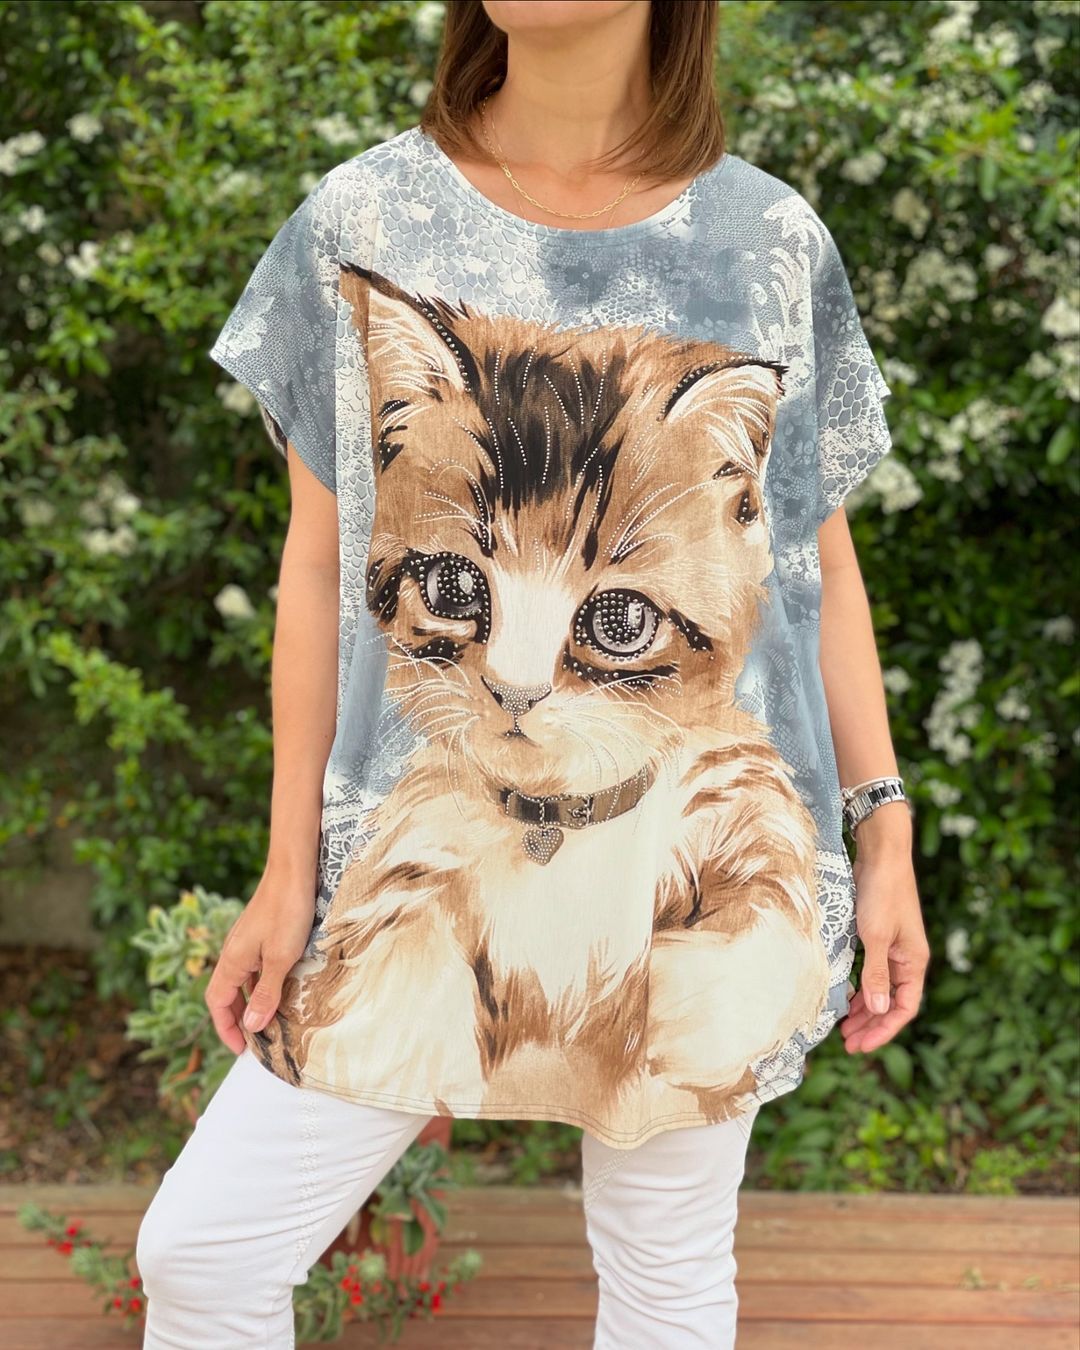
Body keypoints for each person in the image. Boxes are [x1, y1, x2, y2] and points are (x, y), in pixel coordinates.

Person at [135, 1, 931, 1345]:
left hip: (688, 862)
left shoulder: (767, 242)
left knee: (667, 1276)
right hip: (423, 858)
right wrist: (288, 866)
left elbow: (817, 569)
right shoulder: (366, 220)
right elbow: (319, 570)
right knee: (205, 1254)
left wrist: (884, 822)